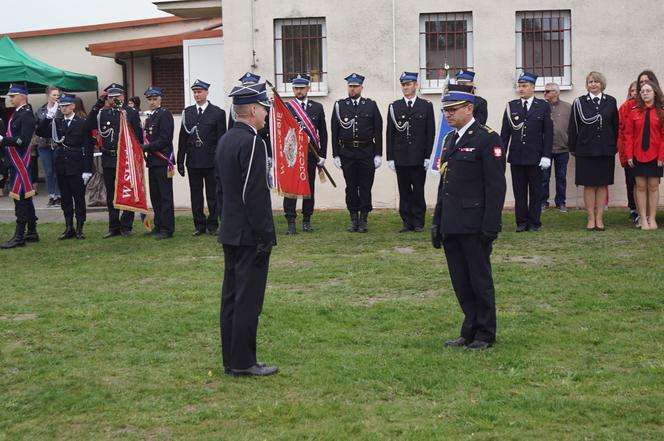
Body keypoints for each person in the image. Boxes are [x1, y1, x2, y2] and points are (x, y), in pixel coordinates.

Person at [431, 84, 506, 351]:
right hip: (452, 222)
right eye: (446, 111)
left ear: (469, 109)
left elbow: (495, 186)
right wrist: (437, 222)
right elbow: (445, 186)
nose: (448, 115)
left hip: (474, 224)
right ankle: (469, 329)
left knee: (479, 280)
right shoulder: (450, 139)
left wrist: (491, 224)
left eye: (453, 110)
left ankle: (485, 333)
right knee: (461, 282)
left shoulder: (487, 138)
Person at [215, 81, 278, 377]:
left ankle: (231, 359)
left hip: (230, 229)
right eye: (264, 109)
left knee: (231, 297)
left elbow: (222, 191)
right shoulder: (253, 142)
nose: (266, 114)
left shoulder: (226, 139)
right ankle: (243, 361)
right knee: (247, 300)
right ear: (252, 110)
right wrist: (266, 236)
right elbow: (253, 195)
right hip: (248, 234)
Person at [87, 83, 143, 238]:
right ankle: (113, 226)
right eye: (110, 97)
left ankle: (126, 225)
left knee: (126, 191)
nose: (113, 100)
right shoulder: (102, 113)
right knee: (111, 193)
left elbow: (137, 136)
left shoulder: (130, 112)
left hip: (124, 157)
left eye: (116, 97)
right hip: (108, 158)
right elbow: (89, 125)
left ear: (122, 97)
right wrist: (97, 105)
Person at [500, 71, 553, 232]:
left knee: (536, 191)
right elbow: (505, 133)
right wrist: (501, 154)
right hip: (517, 156)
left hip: (536, 156)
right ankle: (521, 222)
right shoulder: (512, 106)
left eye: (524, 86)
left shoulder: (543, 106)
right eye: (520, 86)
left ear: (532, 87)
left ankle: (534, 222)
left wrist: (546, 155)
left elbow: (548, 133)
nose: (521, 89)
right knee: (519, 192)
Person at [331, 73, 383, 232]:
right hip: (347, 152)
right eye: (350, 86)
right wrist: (336, 154)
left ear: (361, 87)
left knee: (366, 187)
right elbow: (334, 130)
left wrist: (378, 154)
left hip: (367, 151)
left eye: (355, 86)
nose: (352, 89)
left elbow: (378, 130)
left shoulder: (371, 105)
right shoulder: (340, 105)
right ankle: (353, 218)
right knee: (351, 187)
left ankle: (364, 219)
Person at [36, 94, 93, 239]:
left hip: (76, 164)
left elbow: (88, 147)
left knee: (78, 198)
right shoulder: (57, 122)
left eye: (66, 105)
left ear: (73, 106)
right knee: (66, 199)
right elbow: (40, 132)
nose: (64, 108)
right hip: (61, 164)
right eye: (61, 106)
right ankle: (69, 227)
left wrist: (87, 169)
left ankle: (80, 227)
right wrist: (48, 116)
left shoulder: (82, 122)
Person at [568, 71, 619, 231]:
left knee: (603, 185)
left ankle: (599, 218)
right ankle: (590, 218)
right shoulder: (579, 102)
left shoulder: (611, 101)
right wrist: (573, 148)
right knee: (589, 185)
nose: (593, 84)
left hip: (605, 149)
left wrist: (613, 145)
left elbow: (615, 126)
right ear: (587, 84)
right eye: (590, 81)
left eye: (596, 81)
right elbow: (573, 126)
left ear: (601, 83)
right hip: (585, 149)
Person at [386, 71, 435, 232]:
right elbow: (390, 133)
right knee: (404, 190)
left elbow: (430, 133)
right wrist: (390, 157)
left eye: (408, 84)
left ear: (416, 85)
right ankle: (406, 221)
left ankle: (419, 221)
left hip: (419, 157)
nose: (405, 87)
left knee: (419, 190)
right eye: (403, 85)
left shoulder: (426, 106)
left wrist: (428, 156)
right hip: (401, 156)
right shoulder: (394, 107)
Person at [177, 79, 227, 236]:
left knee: (213, 194)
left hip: (211, 160)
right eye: (195, 92)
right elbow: (182, 138)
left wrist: (221, 161)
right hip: (193, 159)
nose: (197, 95)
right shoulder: (188, 112)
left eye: (199, 92)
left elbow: (221, 139)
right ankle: (199, 224)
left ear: (206, 92)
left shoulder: (218, 113)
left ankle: (213, 224)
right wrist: (180, 160)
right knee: (196, 195)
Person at [282, 73, 327, 234]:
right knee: (292, 187)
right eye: (296, 88)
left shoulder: (317, 107)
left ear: (308, 88)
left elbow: (323, 132)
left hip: (310, 155)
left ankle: (307, 219)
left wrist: (323, 155)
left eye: (301, 88)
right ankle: (291, 220)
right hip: (293, 155)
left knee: (309, 187)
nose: (299, 91)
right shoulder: (287, 107)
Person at [0, 83, 39, 249]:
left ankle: (19, 236)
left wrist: (3, 140)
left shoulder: (27, 115)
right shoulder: (16, 114)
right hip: (14, 162)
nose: (11, 98)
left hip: (21, 163)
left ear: (22, 96)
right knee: (25, 199)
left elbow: (22, 140)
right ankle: (32, 231)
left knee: (21, 200)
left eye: (13, 96)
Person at [623, 80, 664, 230]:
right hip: (637, 155)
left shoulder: (661, 112)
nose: (645, 93)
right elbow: (628, 135)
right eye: (642, 91)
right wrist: (628, 155)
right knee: (640, 186)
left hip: (655, 155)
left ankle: (652, 219)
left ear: (655, 93)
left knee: (653, 186)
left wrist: (661, 156)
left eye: (648, 91)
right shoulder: (634, 111)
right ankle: (643, 220)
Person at [141, 87, 175, 240]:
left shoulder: (165, 115)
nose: (152, 102)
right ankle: (159, 225)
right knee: (155, 196)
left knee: (165, 196)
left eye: (155, 99)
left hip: (162, 161)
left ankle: (167, 229)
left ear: (161, 99)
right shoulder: (149, 118)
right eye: (150, 99)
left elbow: (165, 139)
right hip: (153, 162)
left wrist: (147, 147)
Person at [541, 82, 572, 212]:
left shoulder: (568, 107)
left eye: (548, 91)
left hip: (563, 148)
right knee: (543, 178)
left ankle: (561, 202)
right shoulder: (541, 107)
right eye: (544, 91)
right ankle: (543, 202)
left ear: (556, 93)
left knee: (561, 177)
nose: (544, 93)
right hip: (544, 150)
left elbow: (573, 127)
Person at [35, 85, 62, 207]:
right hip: (44, 144)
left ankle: (59, 195)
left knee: (57, 170)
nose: (56, 97)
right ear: (47, 96)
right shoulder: (40, 111)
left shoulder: (61, 109)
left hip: (56, 144)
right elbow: (36, 128)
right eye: (54, 95)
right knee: (49, 171)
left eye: (58, 95)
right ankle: (52, 195)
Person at [618, 82, 639, 224]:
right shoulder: (625, 107)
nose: (635, 93)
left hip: (645, 151)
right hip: (629, 150)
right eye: (632, 90)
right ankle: (633, 208)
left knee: (645, 182)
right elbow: (621, 131)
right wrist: (624, 153)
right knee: (631, 181)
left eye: (638, 90)